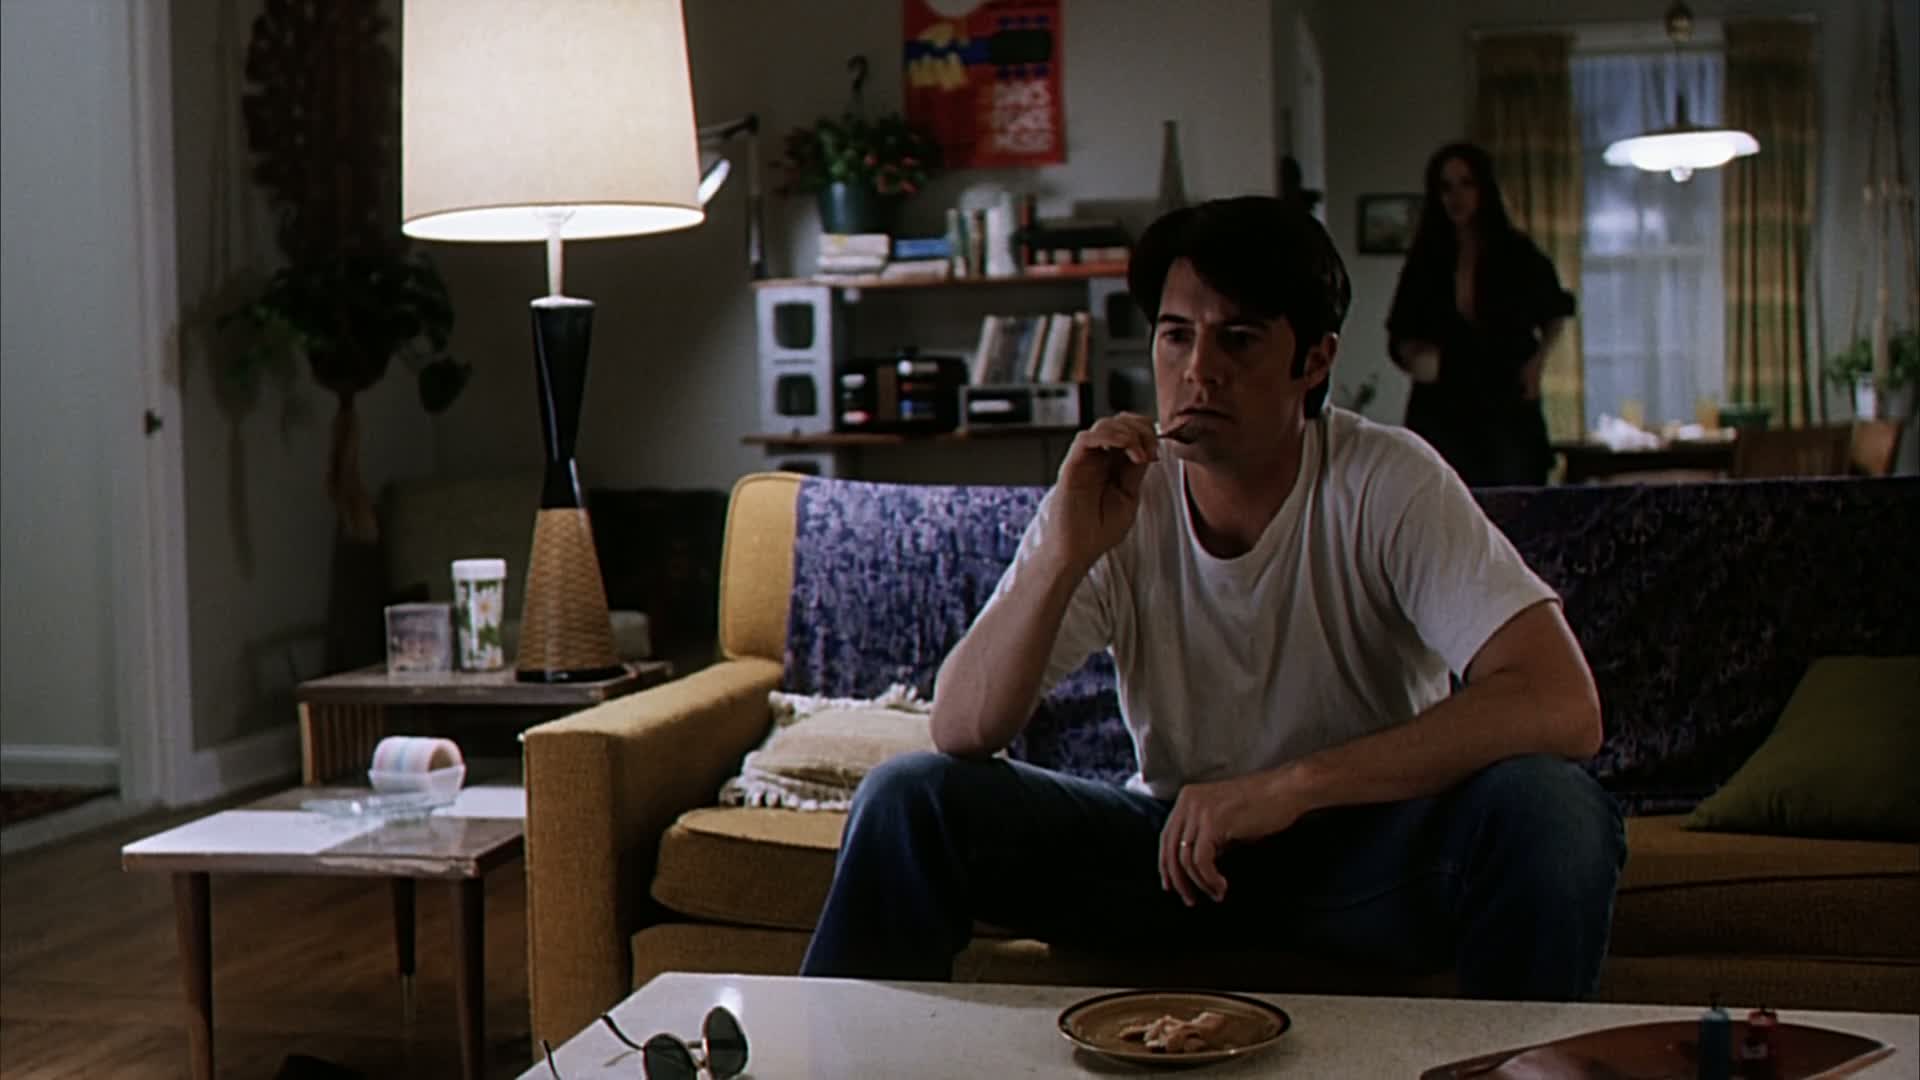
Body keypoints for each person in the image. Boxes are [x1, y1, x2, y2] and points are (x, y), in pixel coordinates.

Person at [800, 196, 1624, 1001]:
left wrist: (1289, 788)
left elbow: (1561, 702)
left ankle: (1519, 1067)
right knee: (910, 798)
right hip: (1172, 858)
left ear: (1314, 361)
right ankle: (828, 1065)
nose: (1198, 370)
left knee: (1552, 808)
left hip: (1366, 857)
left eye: (1238, 338)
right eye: (1175, 336)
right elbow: (961, 729)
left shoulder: (1387, 479)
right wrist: (1063, 552)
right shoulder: (1117, 495)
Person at [1387, 142, 1576, 486]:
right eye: (1446, 187)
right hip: (1443, 404)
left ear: (1483, 188)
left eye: (1466, 184)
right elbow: (1400, 330)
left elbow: (1556, 310)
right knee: (1441, 498)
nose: (1456, 197)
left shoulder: (1516, 253)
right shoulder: (1426, 260)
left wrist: (1536, 364)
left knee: (1512, 498)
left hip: (1504, 400)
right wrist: (1414, 355)